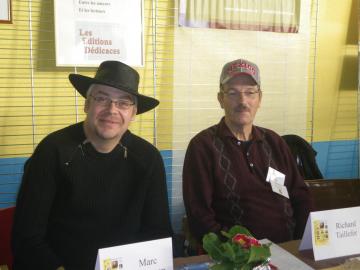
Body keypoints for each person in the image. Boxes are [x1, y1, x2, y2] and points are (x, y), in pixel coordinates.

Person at [12, 60, 173, 270]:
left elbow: (157, 232)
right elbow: (27, 238)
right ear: (87, 104)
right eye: (101, 98)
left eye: (123, 103)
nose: (112, 109)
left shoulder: (147, 158)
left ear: (133, 113)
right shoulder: (52, 151)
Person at [182, 59, 313, 246]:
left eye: (250, 92)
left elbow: (300, 197)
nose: (243, 101)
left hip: (289, 248)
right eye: (233, 93)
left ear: (259, 98)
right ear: (221, 99)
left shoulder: (274, 142)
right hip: (238, 258)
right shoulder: (203, 147)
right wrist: (234, 253)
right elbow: (199, 215)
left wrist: (301, 243)